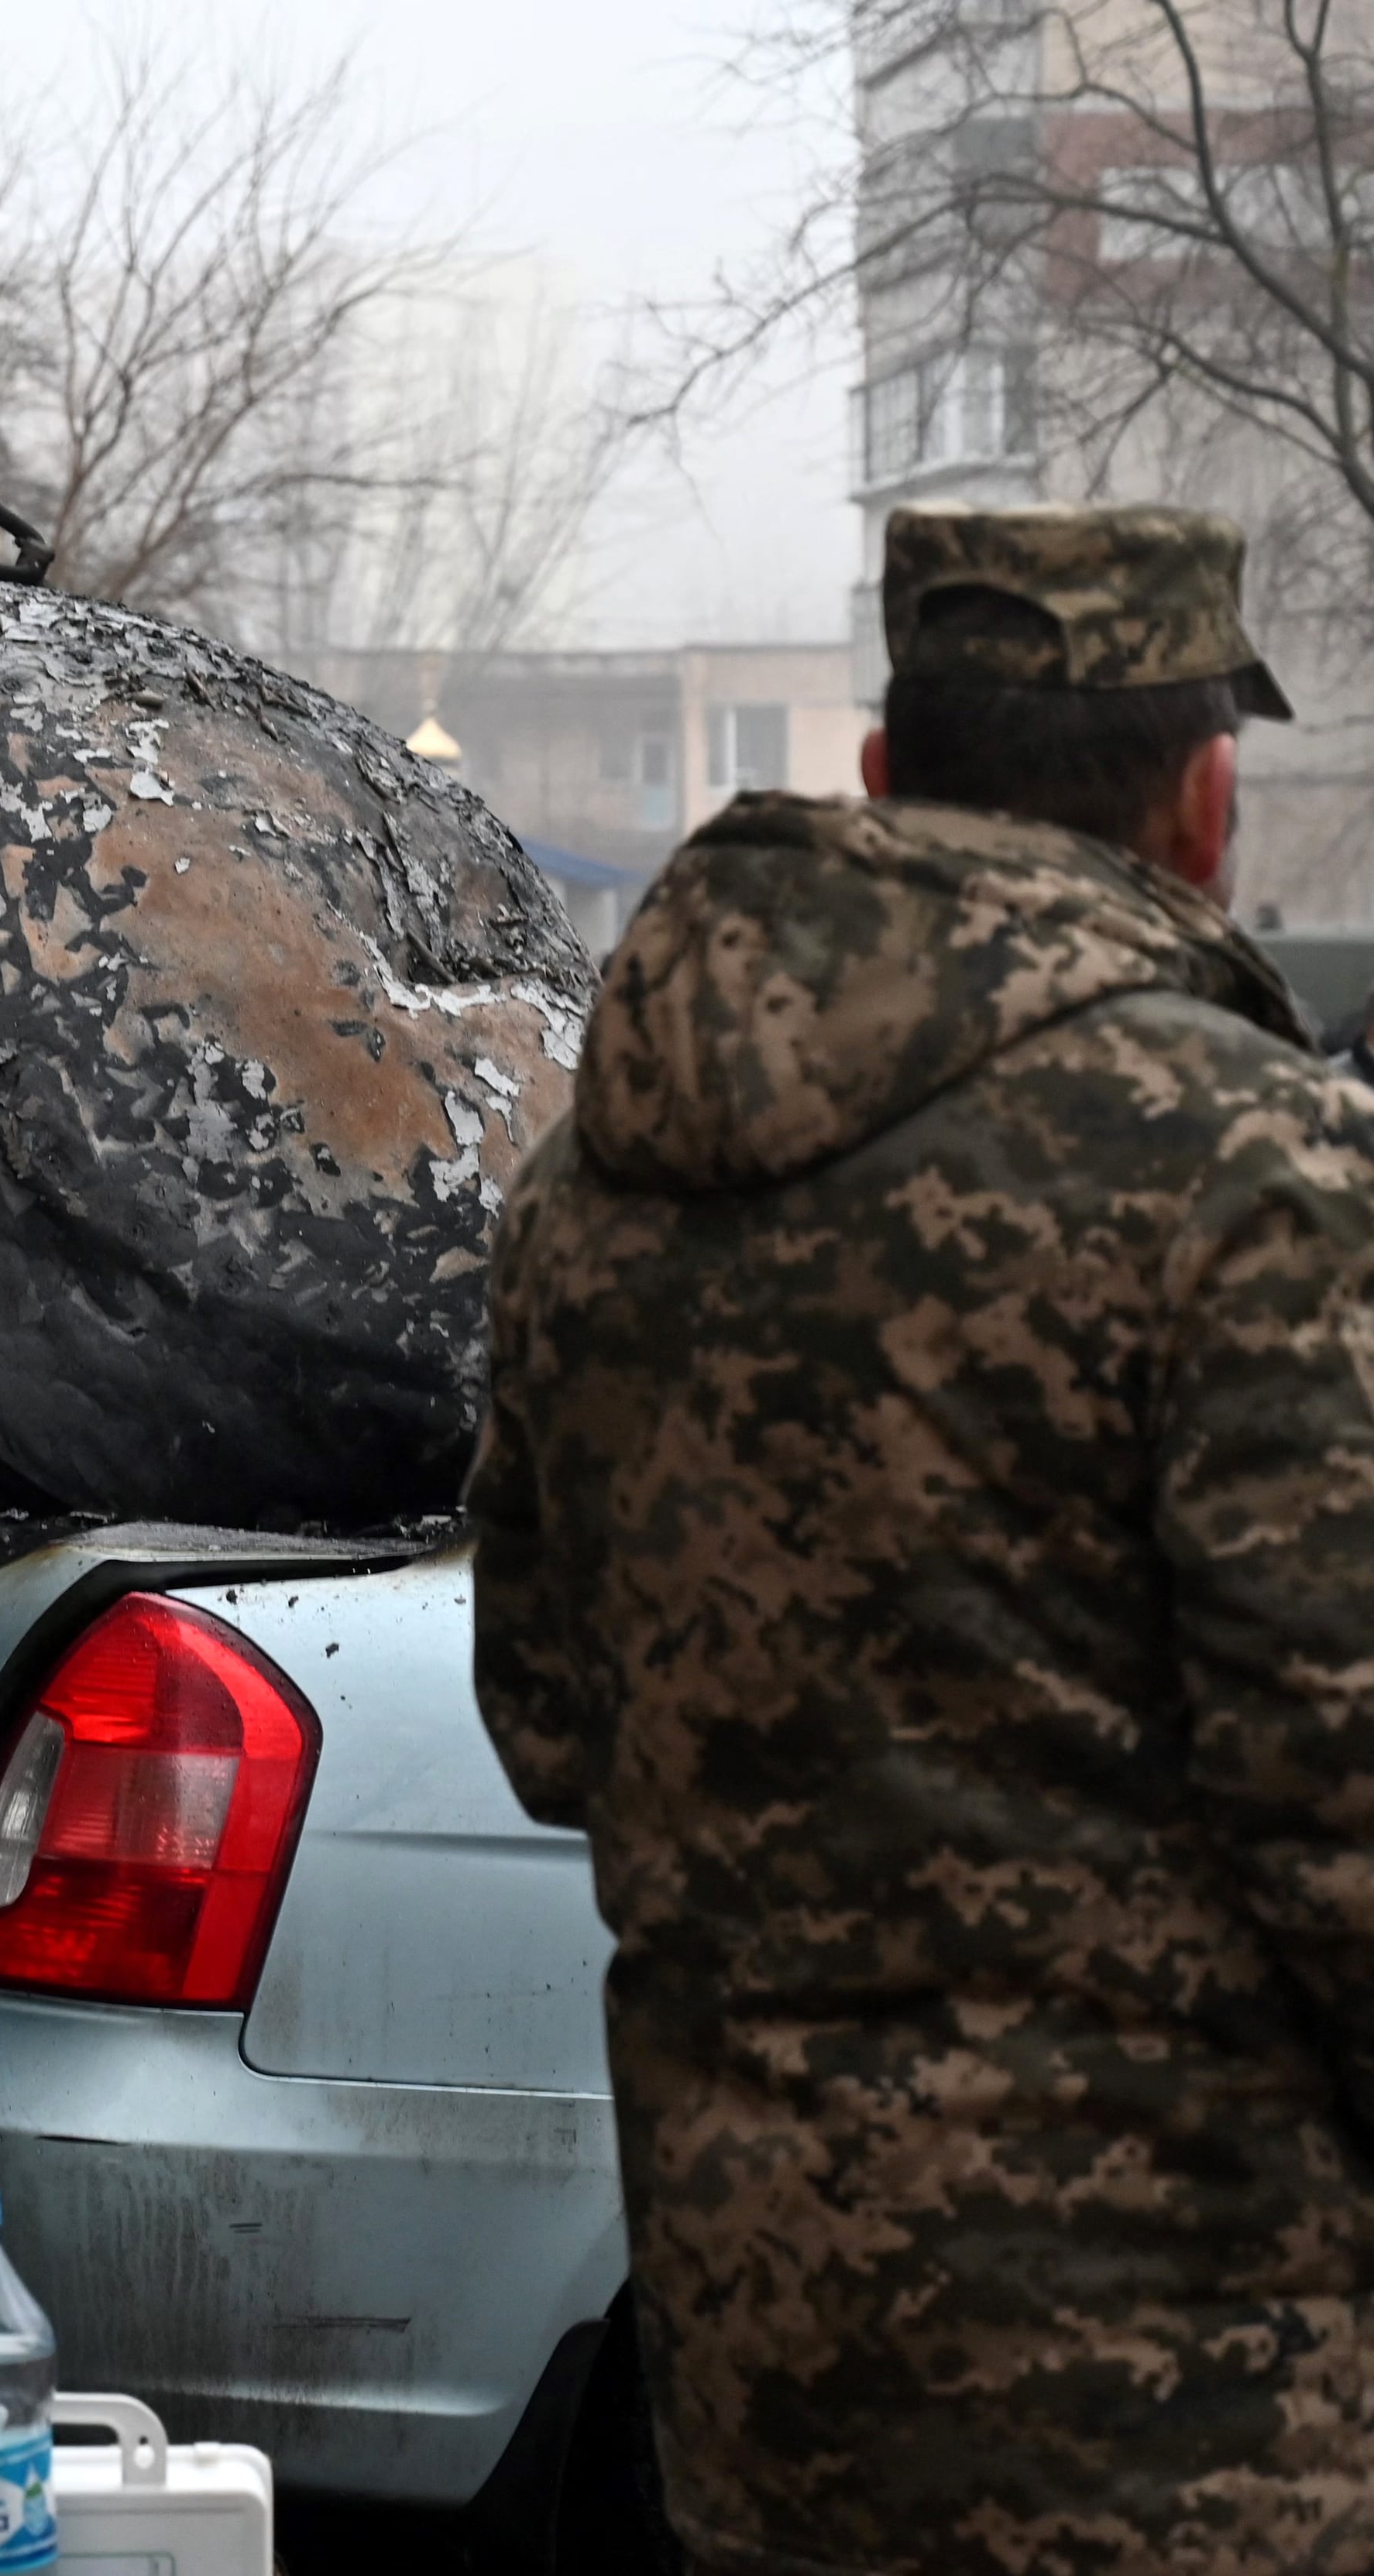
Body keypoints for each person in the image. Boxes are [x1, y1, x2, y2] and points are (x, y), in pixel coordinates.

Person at [471, 503, 1374, 2576]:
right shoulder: (1258, 1165)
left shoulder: (597, 1185)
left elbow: (541, 1720)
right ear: (1207, 800)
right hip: (1204, 2401)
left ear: (883, 777)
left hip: (767, 2353)